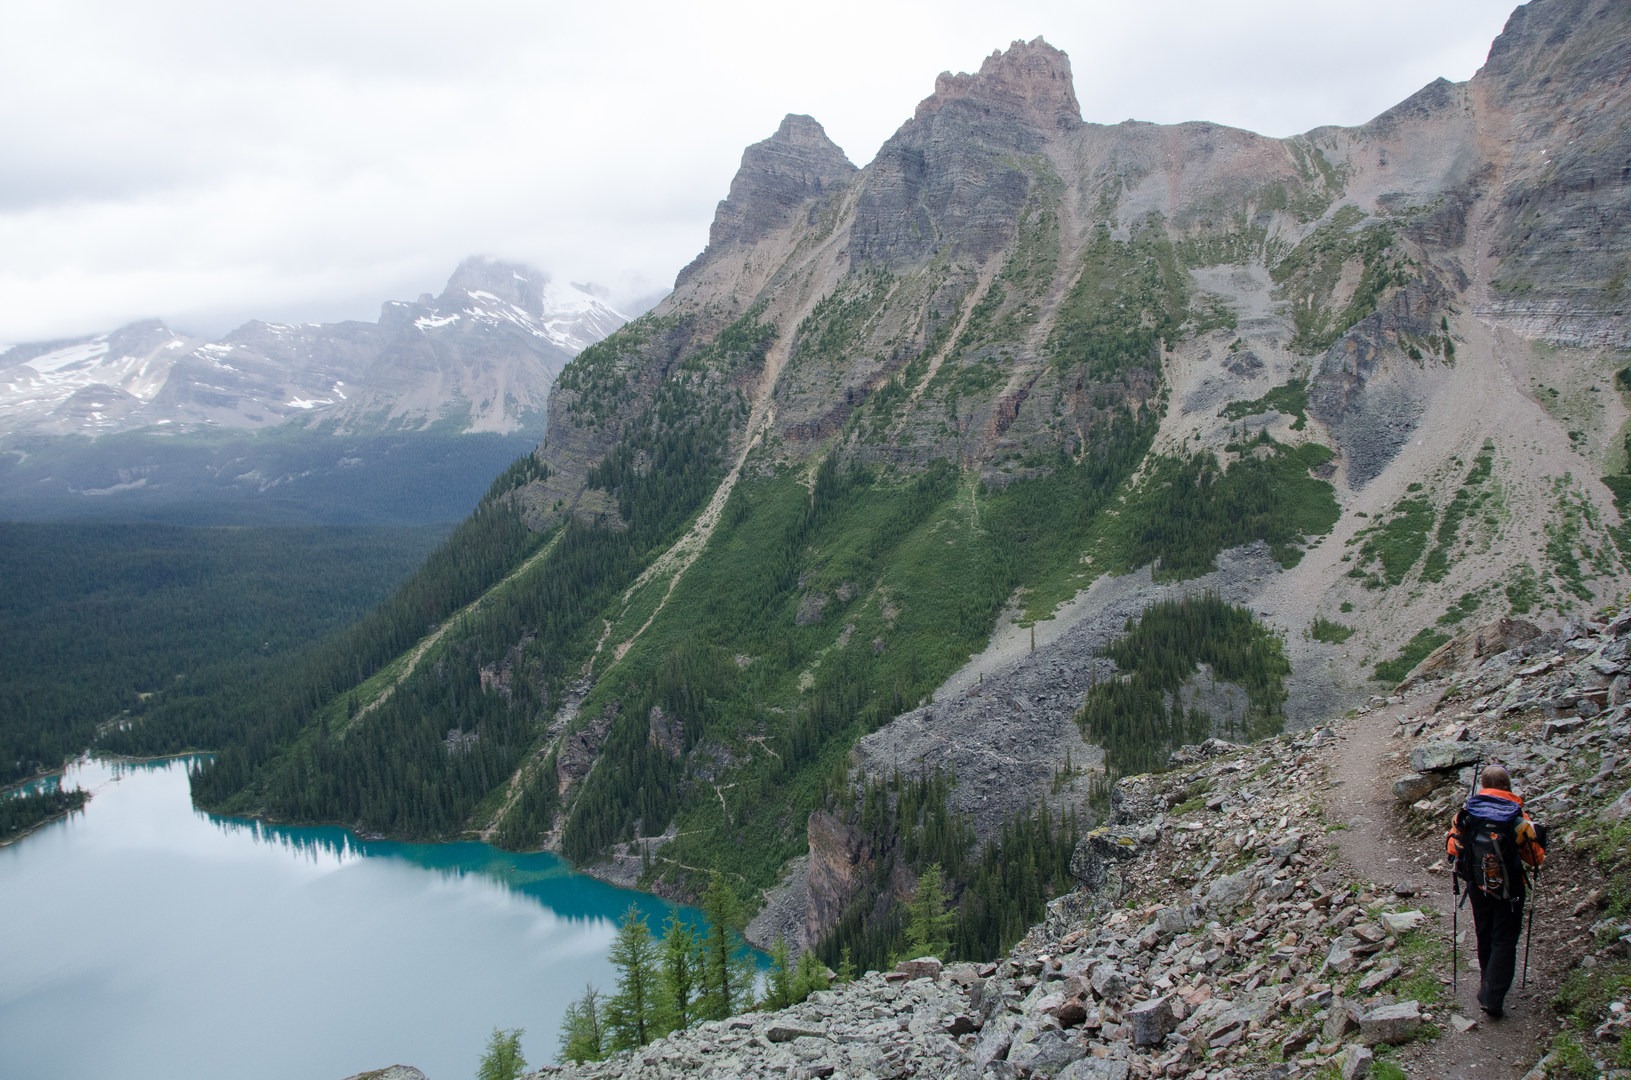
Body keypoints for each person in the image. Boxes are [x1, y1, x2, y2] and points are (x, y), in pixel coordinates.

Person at [1445, 764, 1546, 1018]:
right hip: (1510, 887)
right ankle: (1493, 996)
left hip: (1477, 885)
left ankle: (1486, 984)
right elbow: (1535, 858)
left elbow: (1453, 848)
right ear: (1507, 786)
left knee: (1485, 933)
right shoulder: (1517, 817)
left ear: (1482, 785)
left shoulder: (1467, 813)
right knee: (1504, 938)